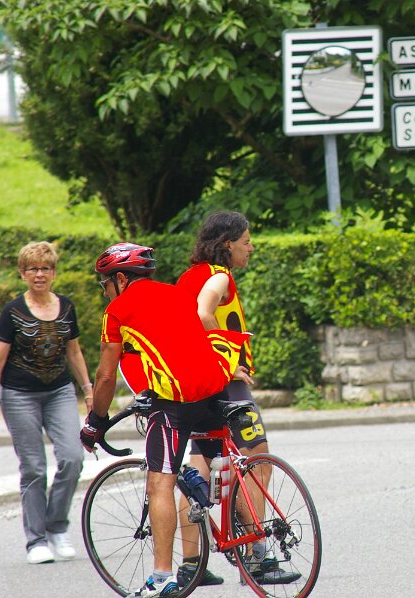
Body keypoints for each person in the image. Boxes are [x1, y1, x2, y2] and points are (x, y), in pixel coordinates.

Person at [80, 243, 249, 598]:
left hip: (175, 402)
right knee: (220, 463)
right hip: (214, 390)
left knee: (160, 483)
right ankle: (255, 545)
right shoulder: (177, 294)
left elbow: (106, 376)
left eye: (105, 283)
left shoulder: (117, 311)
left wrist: (95, 422)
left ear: (121, 279)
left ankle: (161, 577)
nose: (105, 291)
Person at [174, 211, 296, 586]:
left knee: (199, 466)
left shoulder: (187, 277)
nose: (251, 248)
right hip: (224, 385)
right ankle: (258, 558)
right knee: (258, 462)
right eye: (246, 241)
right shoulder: (219, 276)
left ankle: (191, 565)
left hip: (194, 387)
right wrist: (224, 362)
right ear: (227, 245)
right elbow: (203, 313)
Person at [0, 241, 92, 565]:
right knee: (34, 467)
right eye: (33, 269)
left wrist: (88, 390)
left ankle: (57, 527)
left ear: (54, 273)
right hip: (18, 395)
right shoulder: (12, 312)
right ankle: (36, 540)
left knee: (73, 457)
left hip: (59, 392)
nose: (40, 274)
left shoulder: (66, 307)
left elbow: (74, 352)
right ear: (23, 273)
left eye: (45, 268)